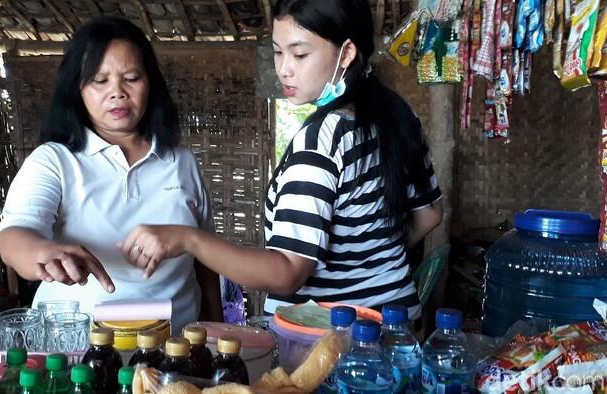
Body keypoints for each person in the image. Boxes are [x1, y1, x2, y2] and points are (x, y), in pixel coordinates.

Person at [118, 0, 443, 320]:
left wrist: (189, 238)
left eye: (300, 54)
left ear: (346, 53)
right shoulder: (399, 115)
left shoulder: (321, 142)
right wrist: (368, 259)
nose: (284, 68)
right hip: (398, 323)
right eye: (277, 51)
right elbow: (429, 214)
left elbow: (287, 273)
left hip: (332, 340)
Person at [0, 16, 222, 331]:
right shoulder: (54, 161)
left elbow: (206, 261)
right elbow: (14, 236)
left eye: (131, 77)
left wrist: (213, 334)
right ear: (77, 88)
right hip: (77, 350)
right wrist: (43, 251)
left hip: (175, 348)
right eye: (99, 81)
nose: (117, 92)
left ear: (150, 84)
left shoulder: (181, 162)